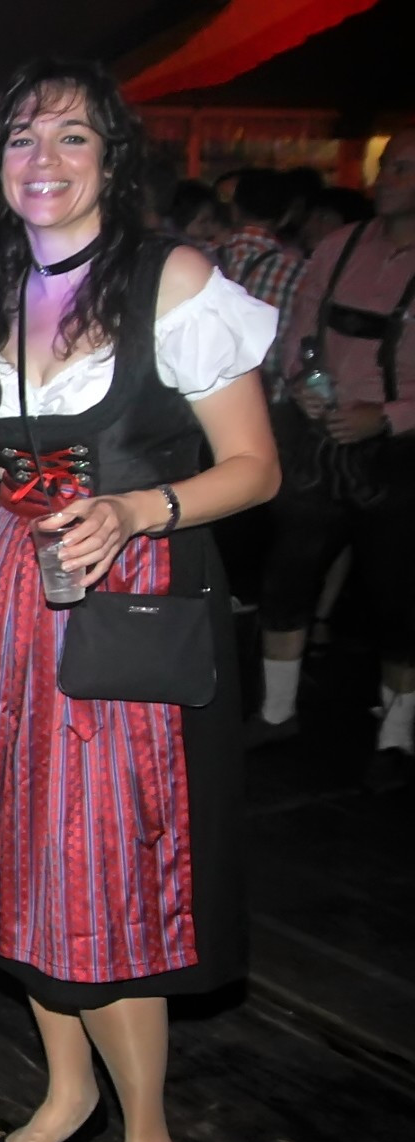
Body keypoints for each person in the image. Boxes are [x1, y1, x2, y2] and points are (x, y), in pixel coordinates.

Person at [0, 59, 279, 1142]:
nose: (43, 160)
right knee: (18, 855)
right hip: (8, 600)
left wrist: (141, 508)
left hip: (128, 604)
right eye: (22, 138)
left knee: (106, 875)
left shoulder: (172, 279)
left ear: (113, 158)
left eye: (72, 138)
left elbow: (256, 467)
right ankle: (67, 1089)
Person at [249, 130, 415, 792]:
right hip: (317, 437)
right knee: (286, 576)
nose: (385, 178)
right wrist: (303, 384)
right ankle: (277, 712)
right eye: (386, 166)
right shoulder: (339, 245)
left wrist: (390, 415)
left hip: (399, 449)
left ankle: (397, 735)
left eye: (402, 168)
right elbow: (299, 331)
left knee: (399, 595)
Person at [217, 169, 309, 381]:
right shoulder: (300, 271)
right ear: (285, 217)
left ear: (234, 210)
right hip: (266, 391)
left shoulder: (201, 258)